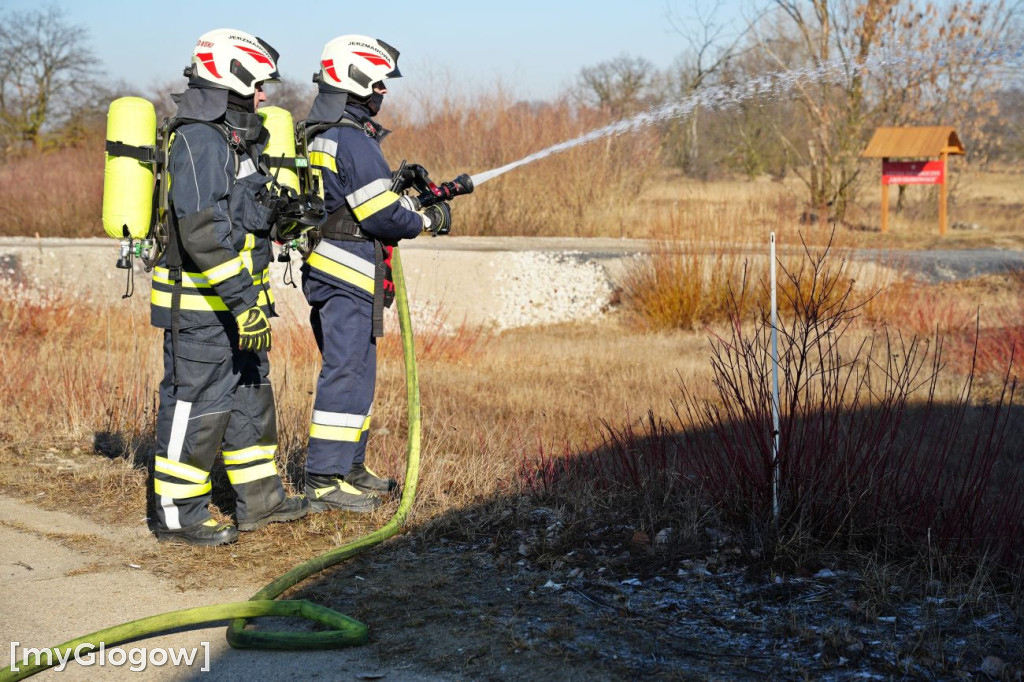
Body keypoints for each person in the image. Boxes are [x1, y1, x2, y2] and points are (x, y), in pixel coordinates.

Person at [150, 28, 309, 546]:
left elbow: (241, 219)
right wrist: (244, 304)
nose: (264, 95)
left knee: (249, 396)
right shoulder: (198, 136)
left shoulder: (235, 138)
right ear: (232, 76)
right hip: (202, 308)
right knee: (197, 403)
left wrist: (283, 218)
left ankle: (260, 500)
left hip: (241, 304)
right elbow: (201, 232)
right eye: (259, 84)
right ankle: (177, 514)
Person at [301, 35, 452, 512]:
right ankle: (324, 479)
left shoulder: (328, 131)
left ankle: (350, 467)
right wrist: (425, 220)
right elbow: (380, 215)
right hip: (346, 273)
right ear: (358, 81)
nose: (383, 90)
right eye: (379, 81)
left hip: (340, 270)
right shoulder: (351, 137)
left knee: (358, 376)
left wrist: (403, 191)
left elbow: (359, 197)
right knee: (346, 373)